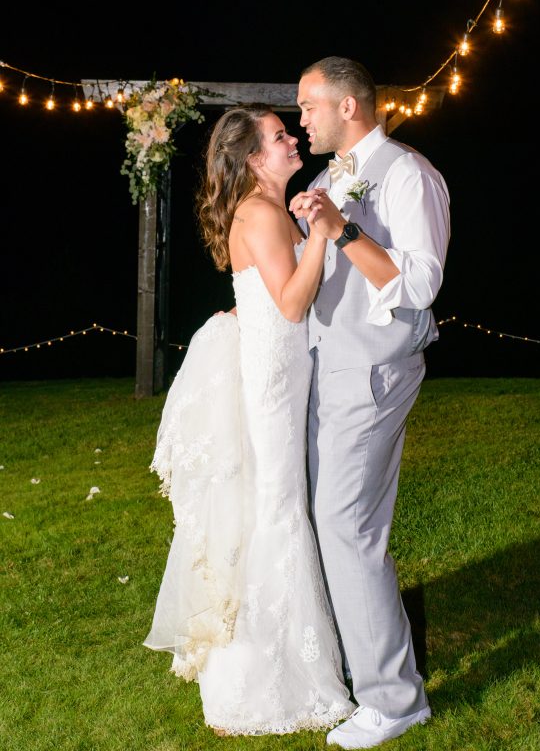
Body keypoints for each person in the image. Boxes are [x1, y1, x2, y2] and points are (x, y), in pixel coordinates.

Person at [144, 103, 354, 734]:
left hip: (280, 374)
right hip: (274, 383)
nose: (292, 138)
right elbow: (291, 305)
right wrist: (321, 235)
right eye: (279, 136)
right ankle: (270, 681)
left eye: (290, 131)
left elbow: (266, 298)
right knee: (279, 511)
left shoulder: (265, 210)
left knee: (279, 507)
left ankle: (281, 666)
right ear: (254, 158)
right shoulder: (260, 212)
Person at [289, 57, 450, 749]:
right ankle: (367, 668)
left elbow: (420, 286)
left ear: (348, 106)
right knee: (342, 528)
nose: (302, 121)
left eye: (308, 107)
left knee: (346, 526)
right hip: (331, 365)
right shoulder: (328, 179)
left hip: (376, 369)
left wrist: (345, 231)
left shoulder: (411, 175)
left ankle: (394, 699)